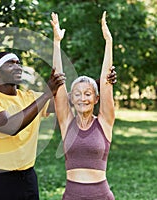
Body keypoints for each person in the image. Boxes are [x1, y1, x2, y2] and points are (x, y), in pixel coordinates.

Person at [0, 52, 66, 200]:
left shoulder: (30, 97)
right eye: (10, 64)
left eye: (18, 63)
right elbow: (11, 127)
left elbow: (68, 101)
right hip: (1, 180)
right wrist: (47, 94)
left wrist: (101, 82)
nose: (18, 67)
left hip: (28, 178)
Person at [51, 11, 115, 199]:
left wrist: (108, 42)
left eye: (88, 94)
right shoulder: (67, 124)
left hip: (101, 195)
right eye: (77, 94)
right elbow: (58, 81)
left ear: (96, 99)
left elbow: (106, 83)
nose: (82, 98)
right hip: (72, 195)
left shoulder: (104, 122)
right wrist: (56, 43)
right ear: (72, 99)